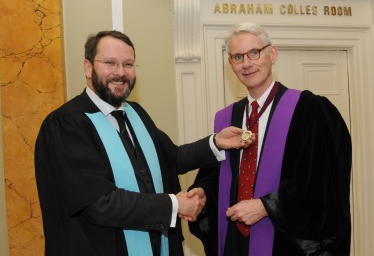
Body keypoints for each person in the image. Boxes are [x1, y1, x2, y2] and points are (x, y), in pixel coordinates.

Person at [34, 30, 251, 256]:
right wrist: (174, 205)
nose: (120, 72)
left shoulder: (134, 113)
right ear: (88, 67)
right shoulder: (66, 125)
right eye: (110, 63)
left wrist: (215, 142)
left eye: (128, 64)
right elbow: (99, 203)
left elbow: (171, 158)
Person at [188, 22, 352, 256]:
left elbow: (320, 183)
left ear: (272, 54)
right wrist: (204, 193)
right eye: (237, 57)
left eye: (254, 53)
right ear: (230, 64)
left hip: (286, 242)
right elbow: (219, 175)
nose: (247, 64)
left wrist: (266, 207)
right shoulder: (227, 118)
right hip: (237, 241)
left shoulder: (308, 110)